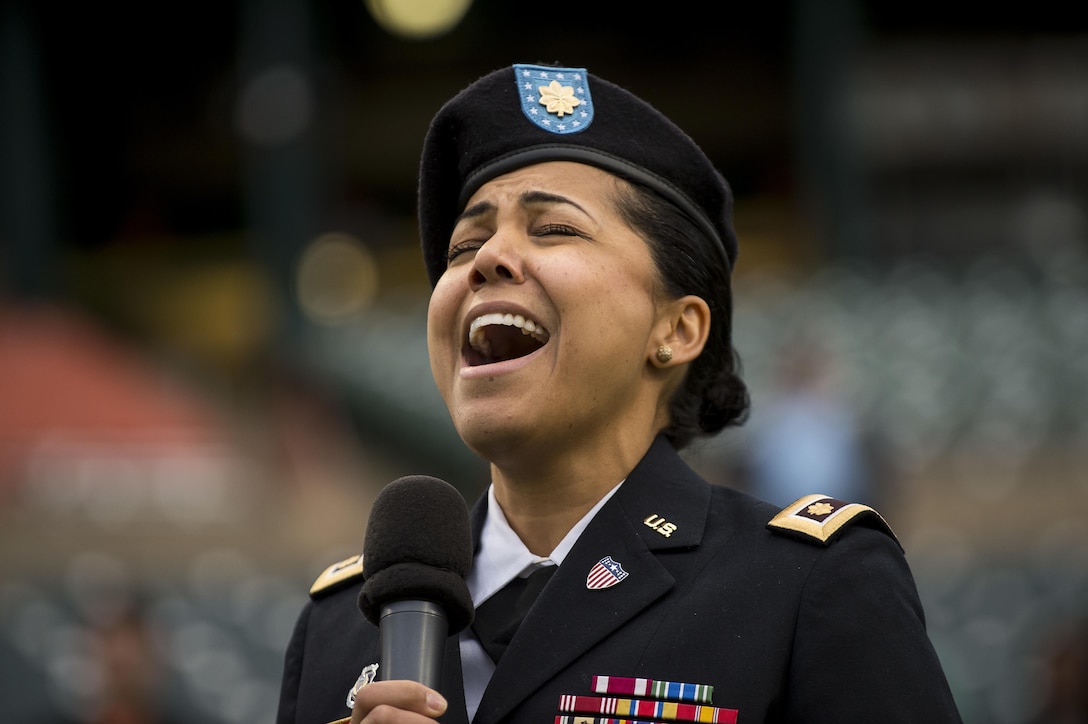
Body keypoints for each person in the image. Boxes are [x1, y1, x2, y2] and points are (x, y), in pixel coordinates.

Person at [276, 62, 963, 724]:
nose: (486, 259)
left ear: (677, 328)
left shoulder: (803, 586)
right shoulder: (341, 624)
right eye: (464, 246)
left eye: (554, 229)